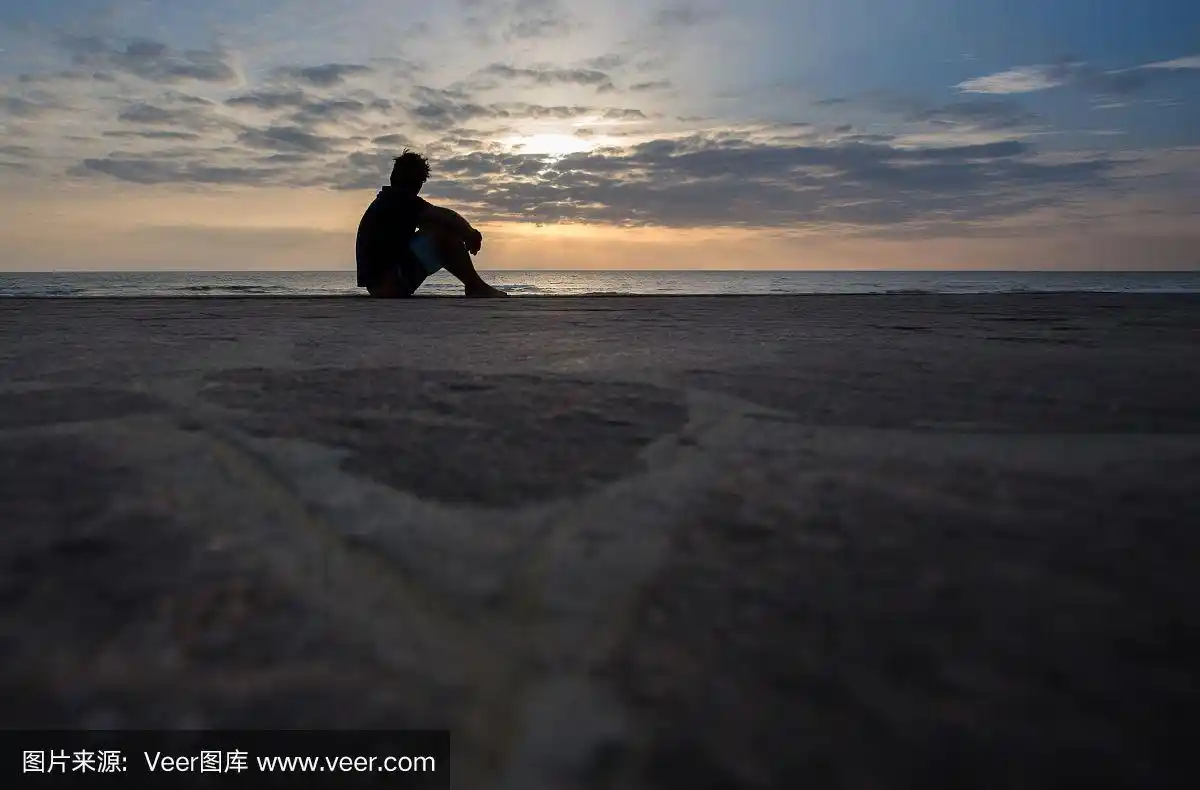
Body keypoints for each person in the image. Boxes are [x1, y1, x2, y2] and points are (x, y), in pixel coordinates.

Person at [356, 150, 508, 298]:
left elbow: (435, 218)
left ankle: (474, 285)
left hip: (382, 284)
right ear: (417, 181)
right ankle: (475, 286)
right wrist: (470, 234)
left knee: (438, 227)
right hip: (389, 284)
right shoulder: (399, 200)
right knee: (443, 233)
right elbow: (444, 216)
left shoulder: (388, 201)